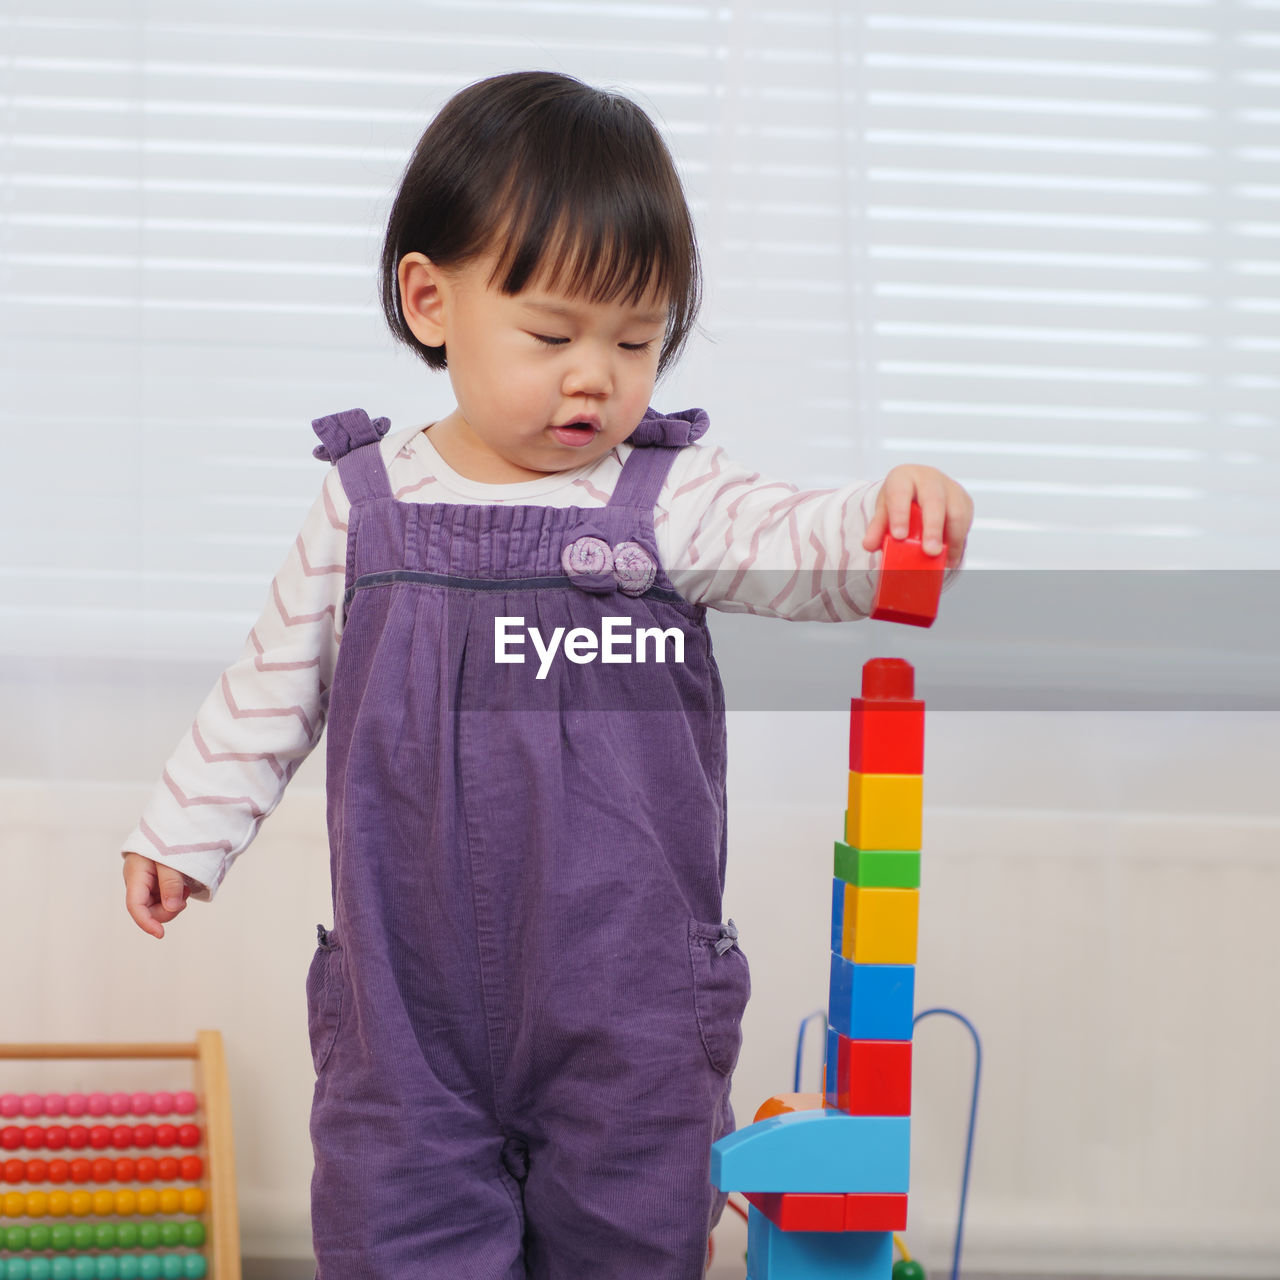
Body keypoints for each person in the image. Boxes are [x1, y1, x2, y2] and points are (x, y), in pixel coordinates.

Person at [120, 70, 973, 1278]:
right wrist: (183, 827)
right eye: (552, 334)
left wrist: (892, 513)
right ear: (431, 301)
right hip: (404, 1006)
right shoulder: (364, 502)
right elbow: (274, 679)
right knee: (394, 1229)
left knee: (630, 1236)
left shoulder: (666, 495)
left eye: (635, 341)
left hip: (624, 998)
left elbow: (804, 549)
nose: (596, 376)